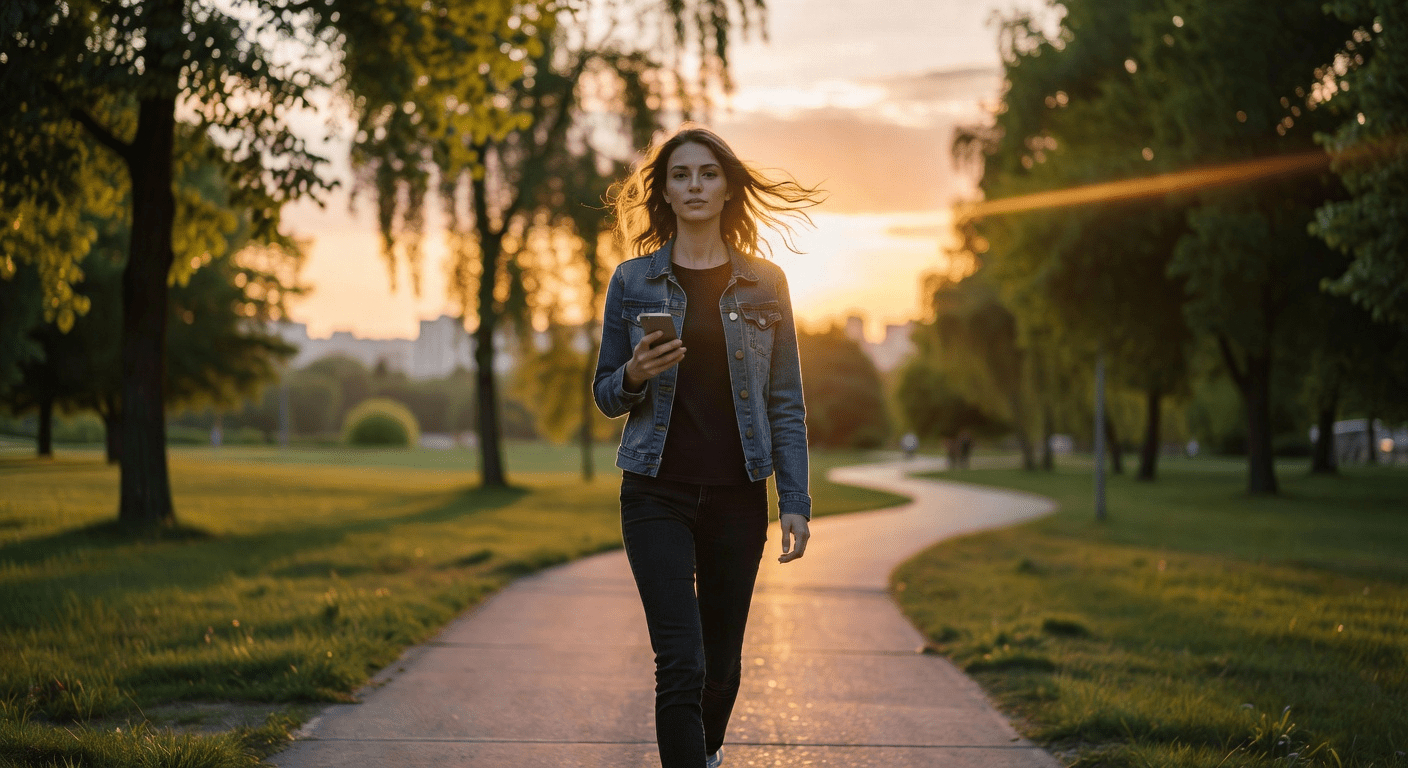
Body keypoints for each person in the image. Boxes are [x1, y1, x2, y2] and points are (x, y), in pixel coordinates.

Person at [593, 124, 823, 768]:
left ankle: (706, 753)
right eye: (680, 175)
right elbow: (606, 393)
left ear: (727, 188)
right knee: (682, 661)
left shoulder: (765, 283)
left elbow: (785, 402)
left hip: (737, 497)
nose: (694, 186)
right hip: (654, 492)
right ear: (663, 192)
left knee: (721, 664)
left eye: (707, 174)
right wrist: (635, 374)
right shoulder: (633, 280)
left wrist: (796, 500)